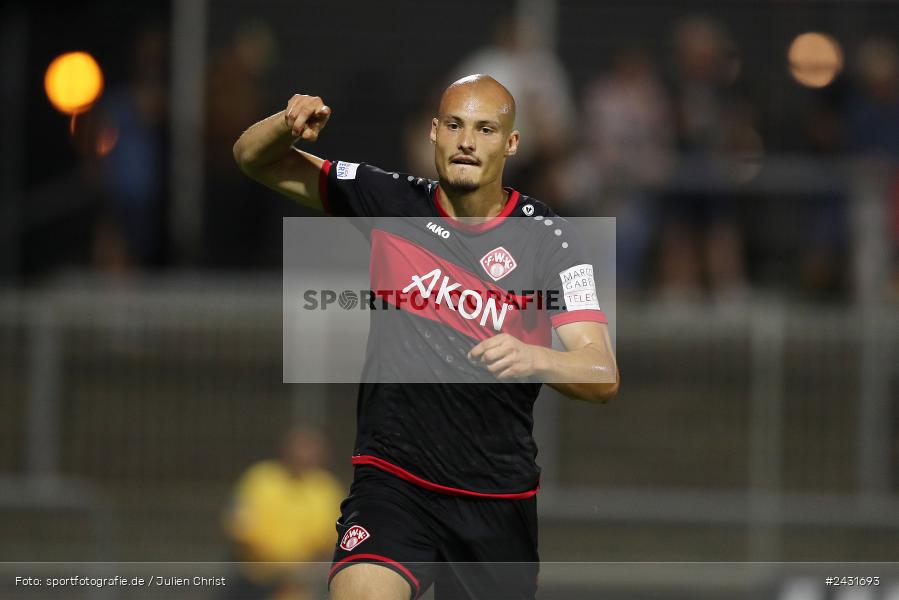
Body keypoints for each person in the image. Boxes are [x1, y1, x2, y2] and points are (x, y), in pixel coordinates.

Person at [233, 74, 619, 600]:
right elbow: (253, 158)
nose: (467, 142)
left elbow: (601, 371)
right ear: (434, 132)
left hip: (494, 502)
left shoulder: (552, 241)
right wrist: (286, 124)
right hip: (393, 484)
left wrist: (534, 357)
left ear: (511, 143)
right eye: (455, 126)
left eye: (485, 129)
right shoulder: (389, 199)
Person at [223, 426, 344, 600]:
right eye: (300, 447)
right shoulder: (260, 479)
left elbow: (331, 541)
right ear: (285, 448)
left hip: (303, 584)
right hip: (255, 580)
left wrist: (301, 571)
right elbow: (239, 531)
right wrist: (275, 570)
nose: (303, 454)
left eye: (310, 448)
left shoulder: (327, 488)